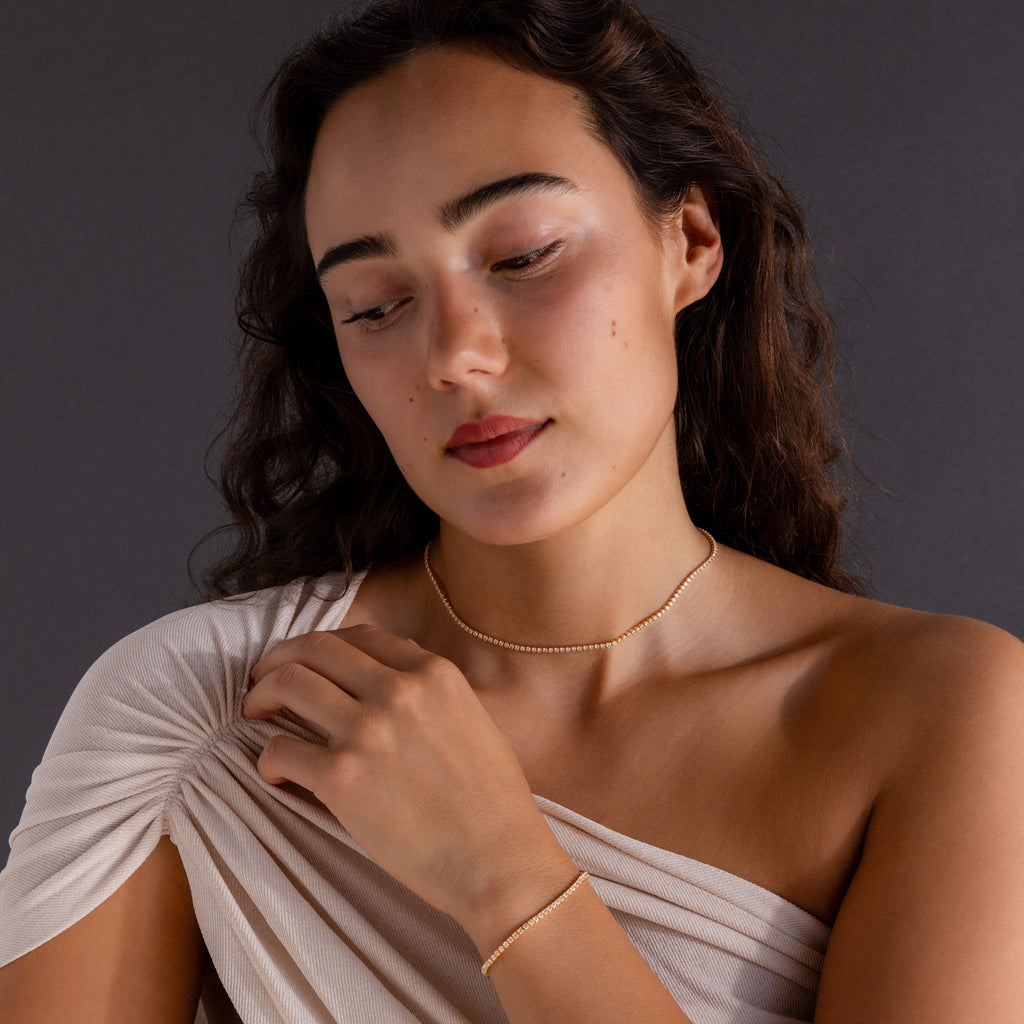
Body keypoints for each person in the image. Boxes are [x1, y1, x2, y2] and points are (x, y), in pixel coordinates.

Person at [2, 0, 1022, 1021]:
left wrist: (503, 877)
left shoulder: (941, 714)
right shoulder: (203, 719)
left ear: (693, 242)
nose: (452, 356)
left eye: (523, 254)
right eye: (373, 305)